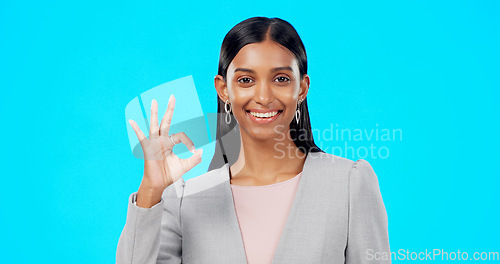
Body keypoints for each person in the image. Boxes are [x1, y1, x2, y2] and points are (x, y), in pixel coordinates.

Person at [116, 17, 391, 264]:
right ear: (224, 90)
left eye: (281, 78)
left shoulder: (349, 183)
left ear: (302, 88)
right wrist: (151, 191)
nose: (263, 96)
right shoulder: (185, 198)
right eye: (246, 80)